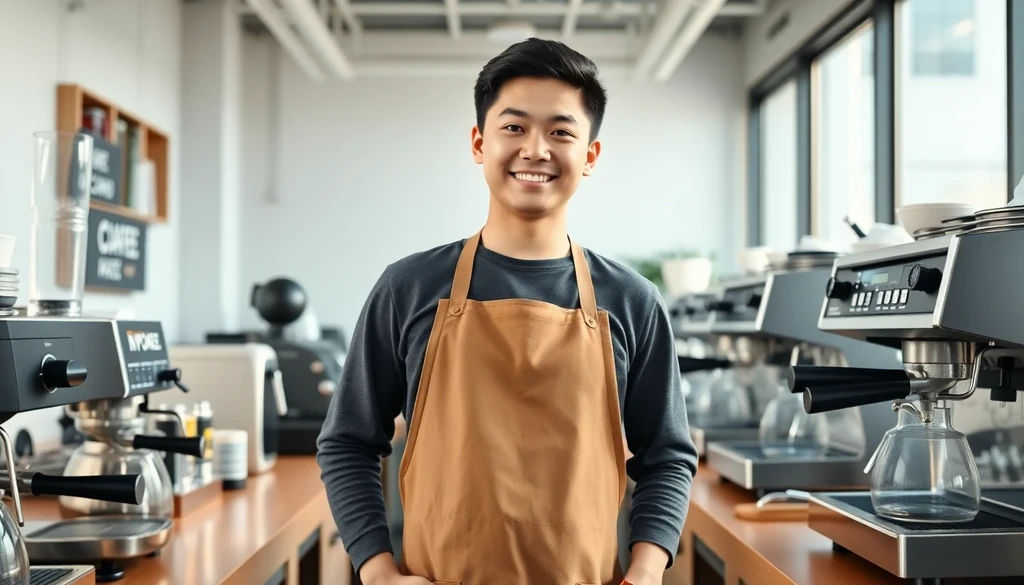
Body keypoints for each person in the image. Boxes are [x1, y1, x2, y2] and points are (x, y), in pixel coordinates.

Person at [317, 38, 697, 585]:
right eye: (514, 127)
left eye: (561, 132)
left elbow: (666, 455)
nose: (536, 149)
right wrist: (376, 571)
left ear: (590, 155)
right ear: (479, 143)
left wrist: (646, 570)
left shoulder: (632, 301)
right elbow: (348, 441)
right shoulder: (409, 286)